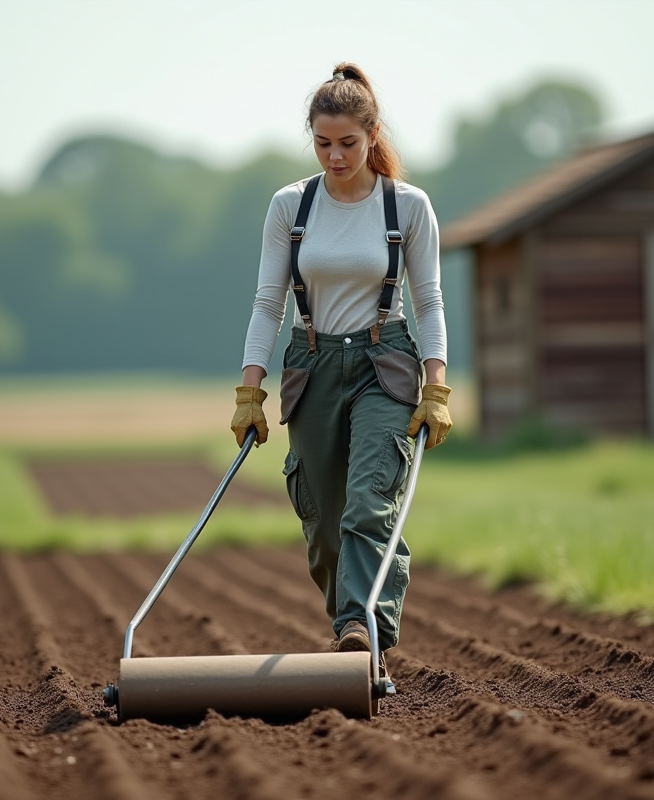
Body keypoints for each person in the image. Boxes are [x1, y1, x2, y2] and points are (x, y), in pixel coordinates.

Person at [229, 62, 452, 681]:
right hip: (312, 362)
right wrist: (250, 391)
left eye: (348, 143)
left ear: (372, 132)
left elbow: (430, 300)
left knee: (367, 500)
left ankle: (362, 627)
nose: (334, 156)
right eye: (322, 144)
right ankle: (352, 624)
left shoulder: (407, 206)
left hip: (387, 363)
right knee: (323, 521)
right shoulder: (289, 206)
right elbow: (268, 304)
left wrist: (436, 384)